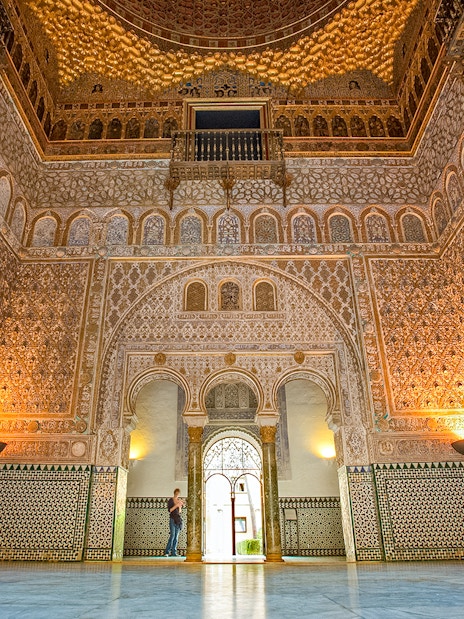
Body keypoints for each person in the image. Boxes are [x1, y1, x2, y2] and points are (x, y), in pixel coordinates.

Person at [164, 488, 184, 557]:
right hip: (172, 519)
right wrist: (176, 505)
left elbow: (180, 512)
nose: (177, 494)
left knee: (176, 537)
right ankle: (167, 552)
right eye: (176, 493)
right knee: (172, 536)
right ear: (174, 493)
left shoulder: (179, 500)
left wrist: (180, 505)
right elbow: (170, 510)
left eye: (178, 493)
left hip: (178, 520)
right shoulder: (171, 500)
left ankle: (174, 553)